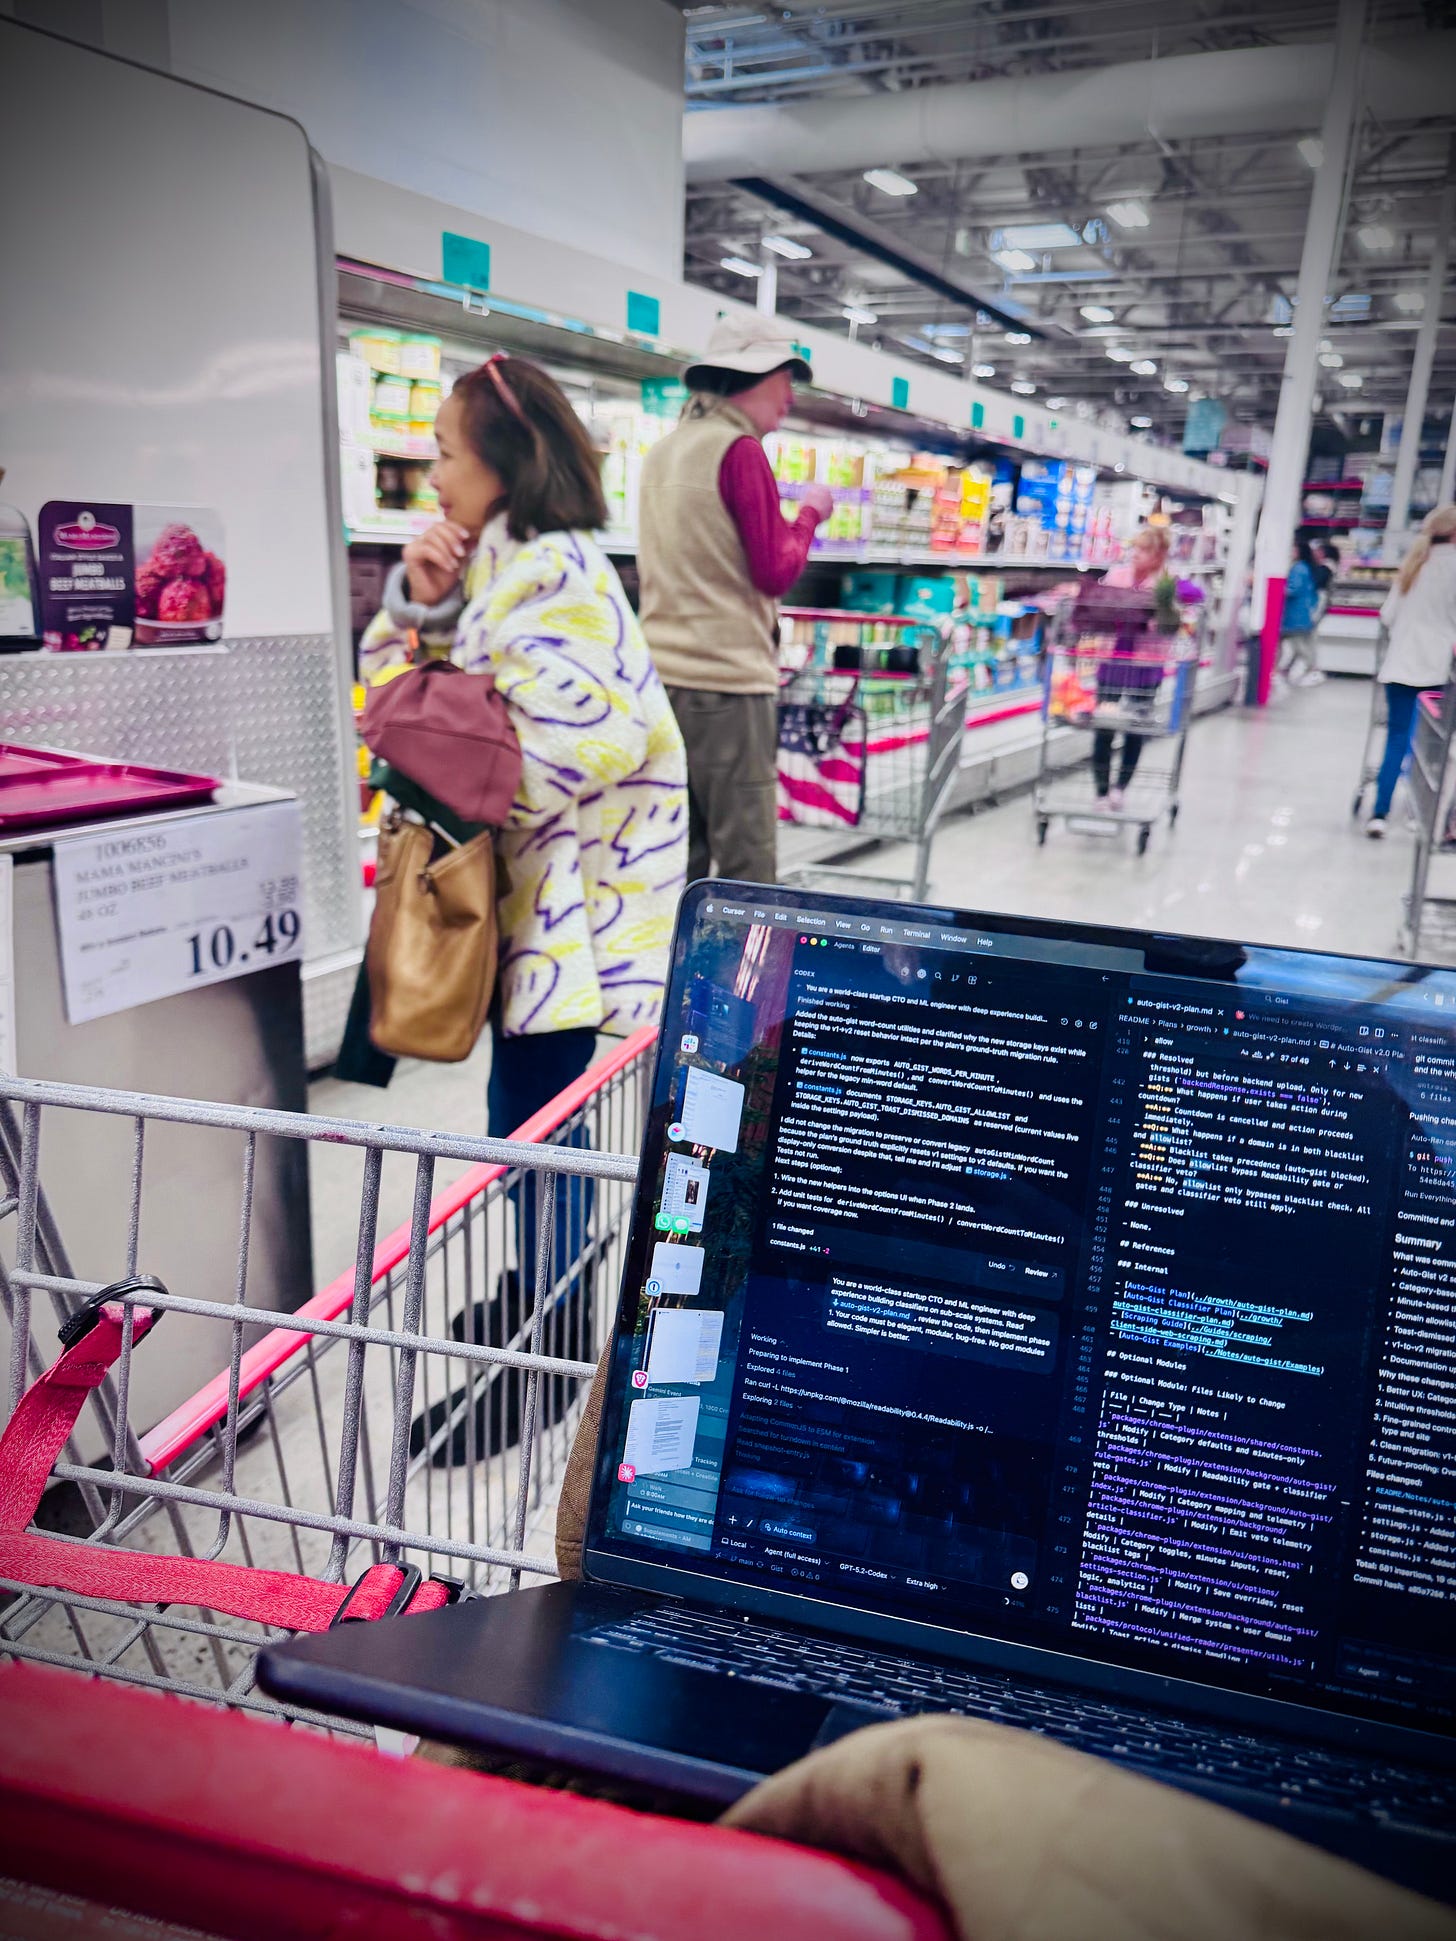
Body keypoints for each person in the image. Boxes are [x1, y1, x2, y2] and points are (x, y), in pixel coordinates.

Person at [637, 313, 835, 885]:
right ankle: (745, 975)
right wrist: (810, 516)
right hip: (727, 687)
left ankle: (671, 973)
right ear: (756, 374)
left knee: (680, 856)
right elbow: (775, 571)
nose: (790, 398)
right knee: (747, 860)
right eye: (786, 380)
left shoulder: (663, 452)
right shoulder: (739, 451)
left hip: (663, 683)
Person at [1367, 503, 1456, 838]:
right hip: (1438, 671)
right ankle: (1420, 815)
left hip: (1399, 666)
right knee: (1431, 750)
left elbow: (1388, 616)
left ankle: (1379, 813)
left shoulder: (1414, 565)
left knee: (1396, 738)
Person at [1091, 523, 1172, 810]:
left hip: (1145, 664)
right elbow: (1097, 610)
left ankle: (1120, 789)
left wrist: (1157, 620)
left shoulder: (1165, 585)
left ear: (1158, 555)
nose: (1136, 554)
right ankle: (1101, 791)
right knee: (1103, 724)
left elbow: (1172, 626)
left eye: (1144, 549)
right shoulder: (1116, 576)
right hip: (1113, 660)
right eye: (1135, 548)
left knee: (1135, 728)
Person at [1280, 535, 1324, 687]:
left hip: (1295, 614)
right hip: (1302, 613)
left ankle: (1314, 669)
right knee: (1296, 645)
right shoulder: (1306, 567)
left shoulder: (1298, 568)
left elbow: (1292, 589)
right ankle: (1284, 670)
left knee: (1299, 645)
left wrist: (1276, 589)